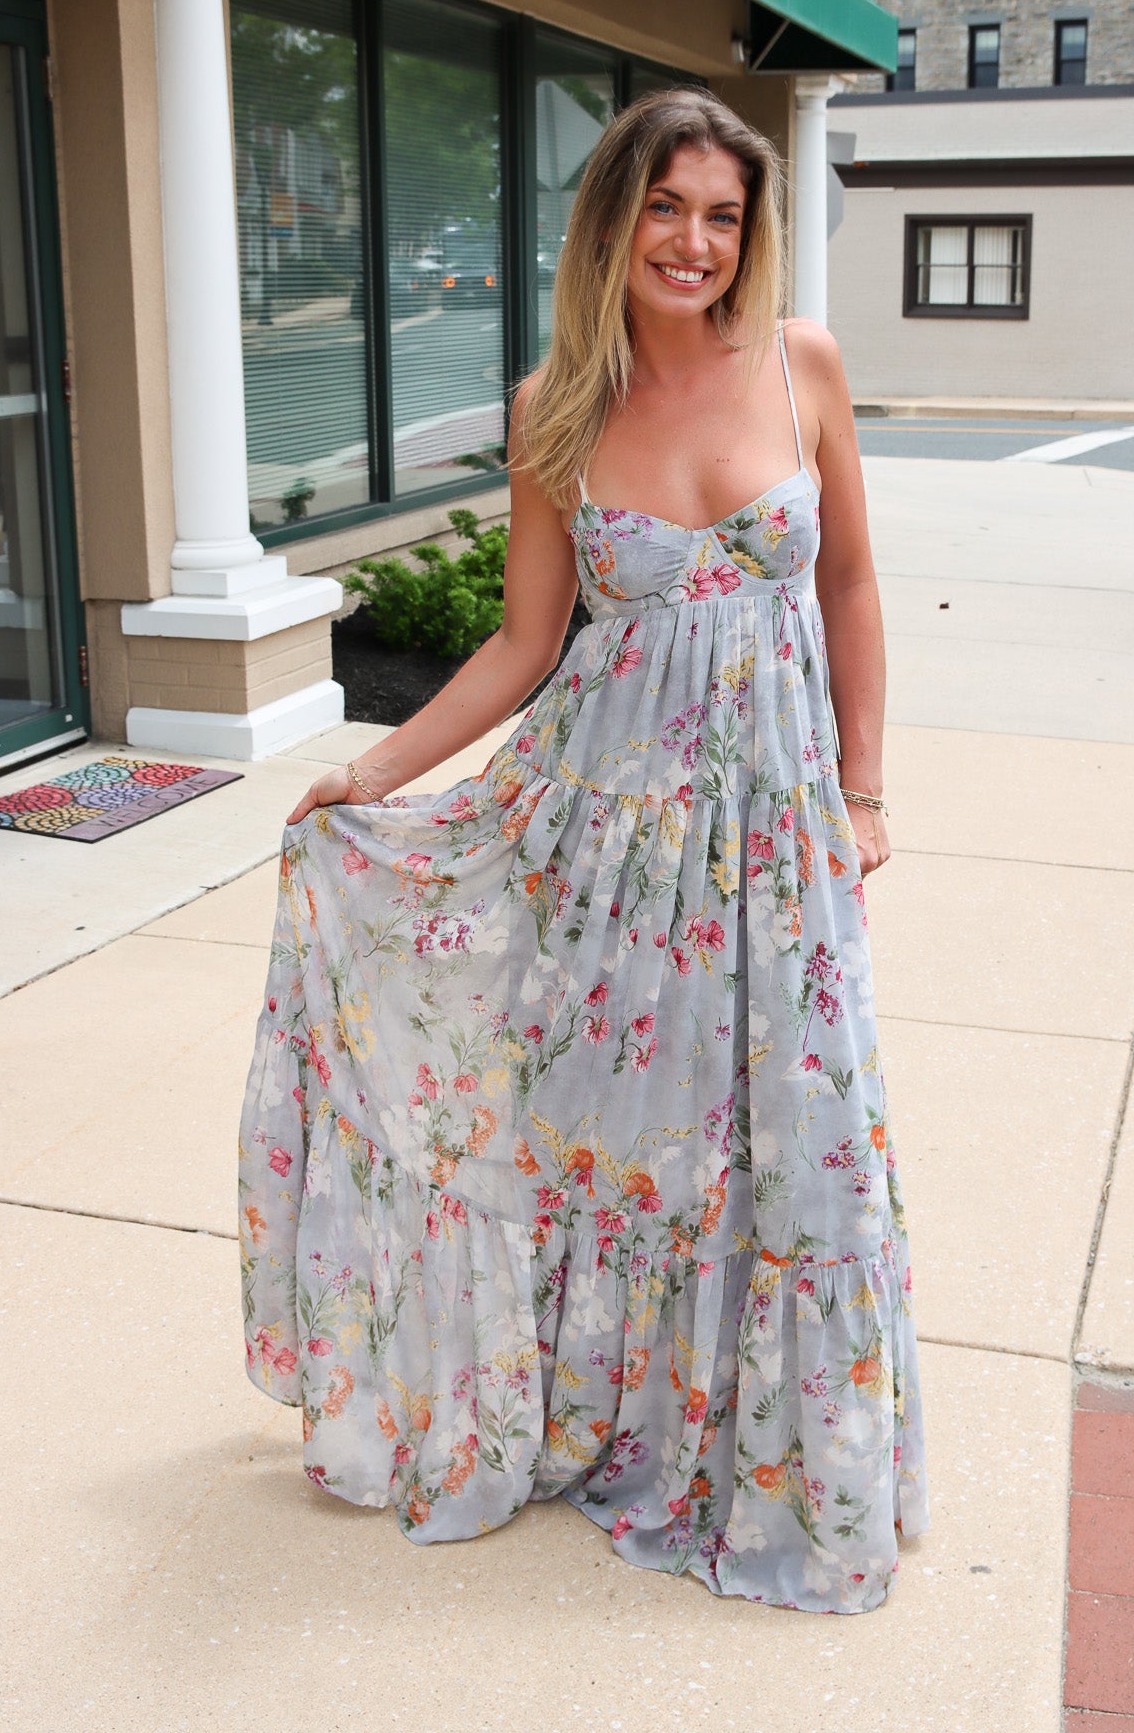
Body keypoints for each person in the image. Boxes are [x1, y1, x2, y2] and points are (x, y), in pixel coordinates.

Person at [239, 87, 927, 1614]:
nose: (693, 242)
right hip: (605, 838)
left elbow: (851, 587)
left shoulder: (800, 361)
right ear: (610, 219)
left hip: (775, 834)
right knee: (622, 1139)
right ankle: (626, 1426)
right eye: (664, 207)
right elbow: (524, 642)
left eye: (722, 215)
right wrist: (371, 771)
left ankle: (785, 1463)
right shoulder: (554, 400)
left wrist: (865, 794)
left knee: (792, 1135)